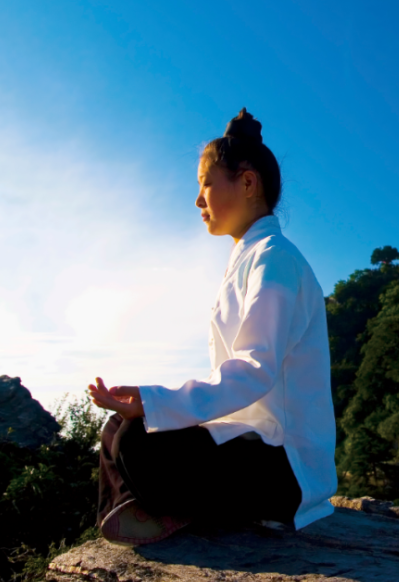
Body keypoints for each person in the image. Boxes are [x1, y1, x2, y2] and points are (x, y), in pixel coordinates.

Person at [88, 108, 337, 546]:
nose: (198, 201)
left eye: (205, 184)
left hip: (286, 468)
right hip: (247, 446)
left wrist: (156, 402)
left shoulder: (274, 259)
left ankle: (155, 510)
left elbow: (254, 370)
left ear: (246, 182)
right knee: (117, 429)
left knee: (133, 439)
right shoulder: (252, 258)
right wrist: (153, 406)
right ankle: (143, 510)